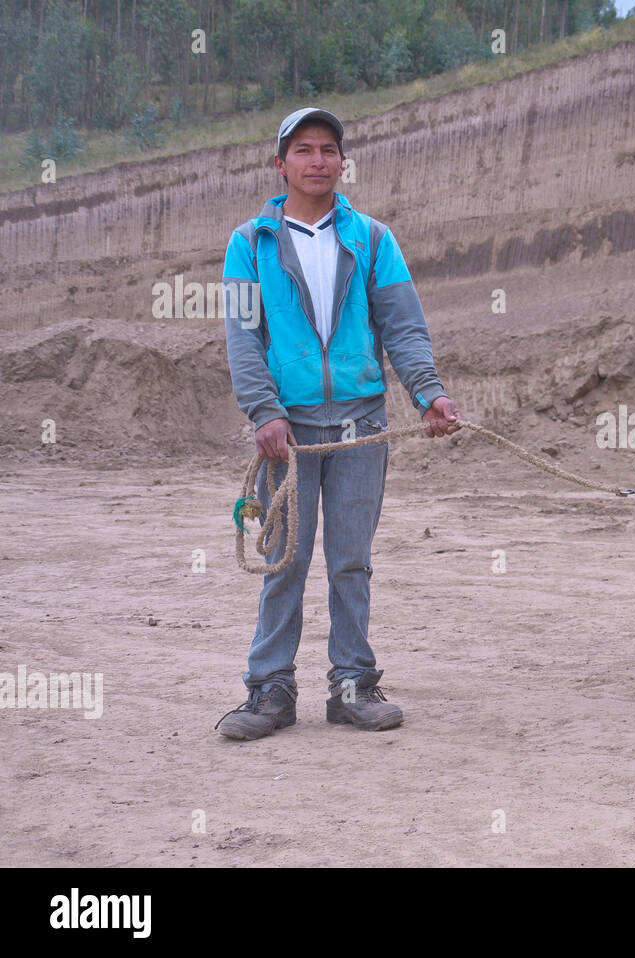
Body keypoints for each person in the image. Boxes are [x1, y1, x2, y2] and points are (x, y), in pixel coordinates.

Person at [216, 107, 459, 740]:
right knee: (284, 559)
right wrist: (264, 412)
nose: (317, 160)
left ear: (342, 162)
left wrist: (428, 395)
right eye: (303, 150)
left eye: (328, 150)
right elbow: (243, 338)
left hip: (360, 424)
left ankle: (353, 682)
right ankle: (270, 689)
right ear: (281, 164)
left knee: (351, 560)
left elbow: (403, 327)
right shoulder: (249, 244)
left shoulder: (375, 240)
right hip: (287, 434)